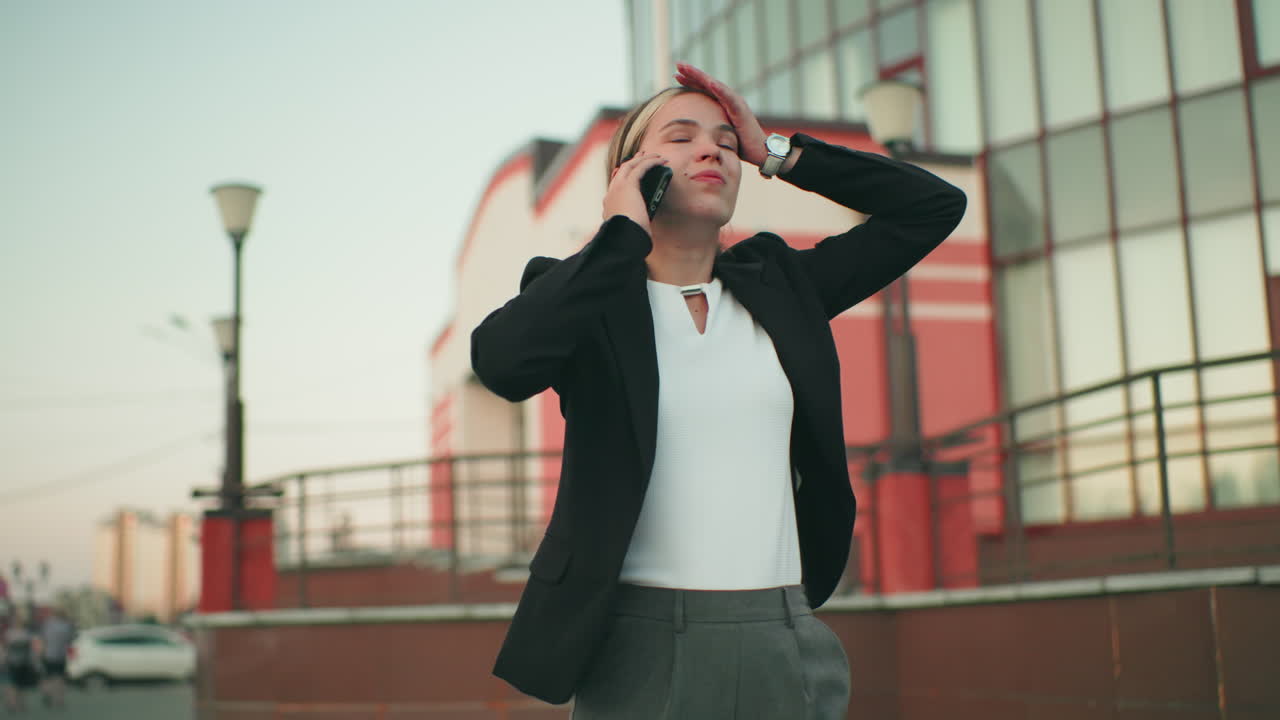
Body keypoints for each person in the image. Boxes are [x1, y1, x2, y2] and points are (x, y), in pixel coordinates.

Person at [471, 63, 966, 718]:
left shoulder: (781, 286)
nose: (711, 150)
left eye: (725, 142)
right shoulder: (589, 299)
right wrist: (621, 235)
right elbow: (502, 363)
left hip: (781, 632)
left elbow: (933, 208)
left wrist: (777, 153)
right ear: (628, 172)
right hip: (641, 648)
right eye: (681, 137)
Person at [38, 608, 75, 709]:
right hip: (61, 655)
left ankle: (47, 692)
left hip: (48, 654)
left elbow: (42, 639)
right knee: (60, 678)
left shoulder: (47, 624)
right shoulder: (67, 626)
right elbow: (70, 641)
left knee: (48, 677)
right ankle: (59, 700)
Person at [2, 614, 39, 713]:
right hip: (22, 662)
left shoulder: (9, 633)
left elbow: (5, 649)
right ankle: (20, 705)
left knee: (14, 685)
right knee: (20, 685)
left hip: (13, 662)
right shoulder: (26, 633)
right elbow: (31, 649)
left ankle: (14, 704)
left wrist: (3, 660)